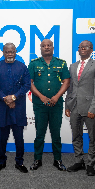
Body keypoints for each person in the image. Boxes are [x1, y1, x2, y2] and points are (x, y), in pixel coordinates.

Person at [28, 39, 70, 171]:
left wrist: (57, 97)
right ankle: (37, 160)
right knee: (39, 133)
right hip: (39, 104)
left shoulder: (61, 63)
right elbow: (29, 82)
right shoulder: (34, 64)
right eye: (43, 46)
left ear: (53, 47)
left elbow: (66, 81)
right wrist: (41, 97)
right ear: (40, 48)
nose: (46, 47)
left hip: (56, 104)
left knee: (56, 134)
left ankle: (57, 160)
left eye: (49, 45)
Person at [65, 40, 95, 176]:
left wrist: (93, 109)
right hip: (74, 107)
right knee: (76, 136)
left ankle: (90, 164)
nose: (82, 49)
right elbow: (70, 88)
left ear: (91, 49)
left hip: (89, 108)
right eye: (80, 47)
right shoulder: (73, 66)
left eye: (85, 47)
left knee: (92, 137)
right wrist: (67, 105)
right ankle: (79, 161)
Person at [0, 43, 31, 173]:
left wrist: (13, 97)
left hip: (18, 108)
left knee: (19, 137)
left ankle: (20, 162)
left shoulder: (22, 67)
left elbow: (26, 85)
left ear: (16, 52)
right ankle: (1, 161)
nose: (10, 54)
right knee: (2, 137)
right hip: (2, 107)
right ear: (3, 52)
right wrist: (5, 98)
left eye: (12, 51)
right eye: (7, 52)